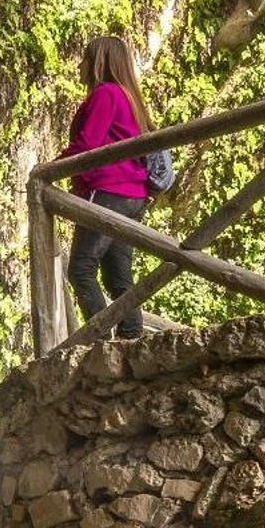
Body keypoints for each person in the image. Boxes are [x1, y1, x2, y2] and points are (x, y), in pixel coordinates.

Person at [62, 35, 153, 337]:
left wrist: (48, 168)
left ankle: (100, 340)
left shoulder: (106, 94)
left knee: (81, 269)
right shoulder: (129, 98)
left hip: (110, 192)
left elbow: (87, 145)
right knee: (117, 275)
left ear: (98, 61)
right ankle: (131, 339)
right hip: (133, 196)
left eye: (85, 58)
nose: (80, 65)